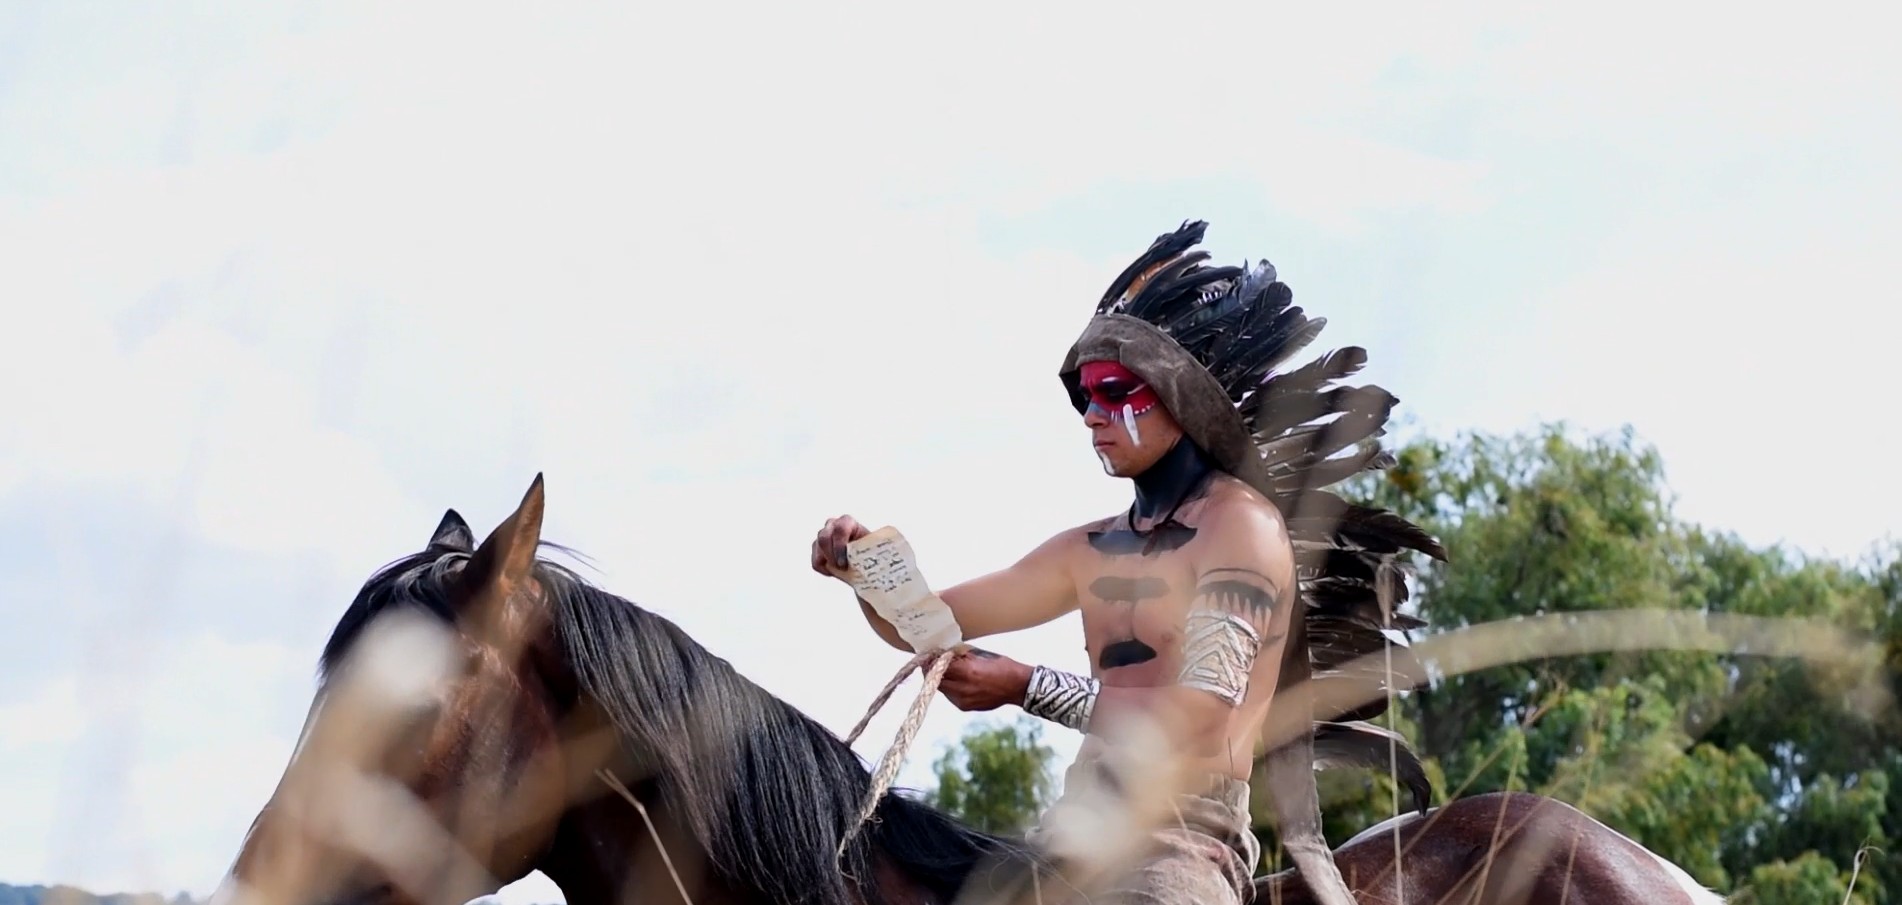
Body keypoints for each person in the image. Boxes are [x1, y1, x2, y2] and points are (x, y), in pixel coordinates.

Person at [812, 221, 1447, 905]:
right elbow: (927, 624)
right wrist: (865, 569)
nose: (1092, 415)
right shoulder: (1087, 547)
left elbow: (1201, 717)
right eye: (1085, 396)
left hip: (1183, 843)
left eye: (1114, 392)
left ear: (1180, 398)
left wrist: (1024, 685)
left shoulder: (1241, 529)